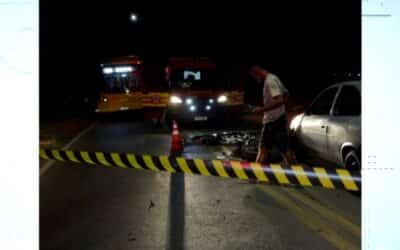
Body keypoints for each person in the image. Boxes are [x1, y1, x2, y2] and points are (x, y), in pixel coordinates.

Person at [249, 65, 295, 166]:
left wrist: (261, 109)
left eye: (254, 76)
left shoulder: (270, 81)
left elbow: (279, 100)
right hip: (277, 119)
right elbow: (286, 94)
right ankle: (296, 173)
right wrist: (282, 111)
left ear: (257, 72)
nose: (256, 79)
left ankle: (256, 174)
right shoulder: (274, 78)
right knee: (270, 148)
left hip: (273, 121)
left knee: (267, 149)